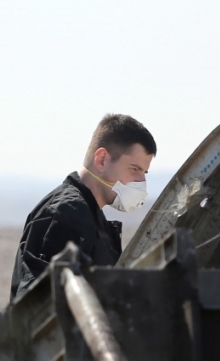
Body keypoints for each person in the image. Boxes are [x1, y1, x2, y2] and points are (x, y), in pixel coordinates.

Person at [10, 114, 156, 300]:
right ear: (102, 159)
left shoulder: (90, 215)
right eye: (134, 169)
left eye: (144, 172)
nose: (141, 181)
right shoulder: (65, 213)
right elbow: (37, 311)